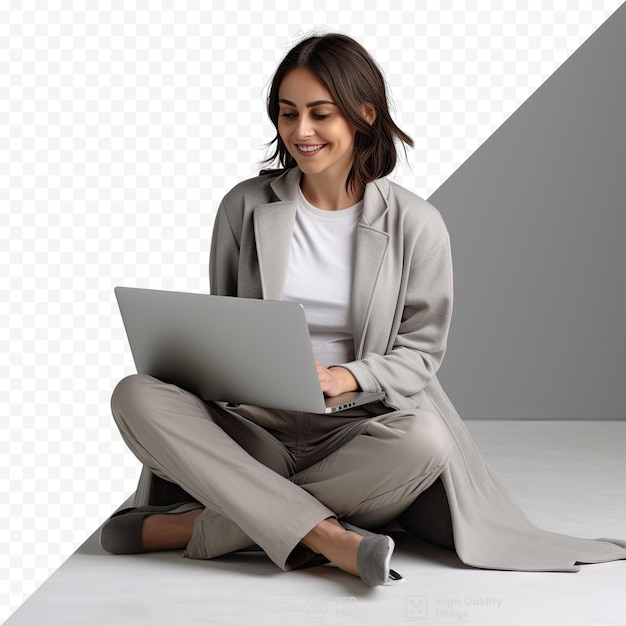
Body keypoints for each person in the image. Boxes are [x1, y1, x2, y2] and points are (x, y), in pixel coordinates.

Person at [101, 33, 626, 587]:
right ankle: (330, 536)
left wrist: (345, 375)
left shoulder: (415, 223)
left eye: (320, 114)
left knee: (425, 439)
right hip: (254, 430)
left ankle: (194, 530)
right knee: (135, 393)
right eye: (288, 113)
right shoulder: (245, 206)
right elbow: (226, 325)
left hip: (356, 431)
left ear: (364, 114)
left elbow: (421, 354)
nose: (301, 132)